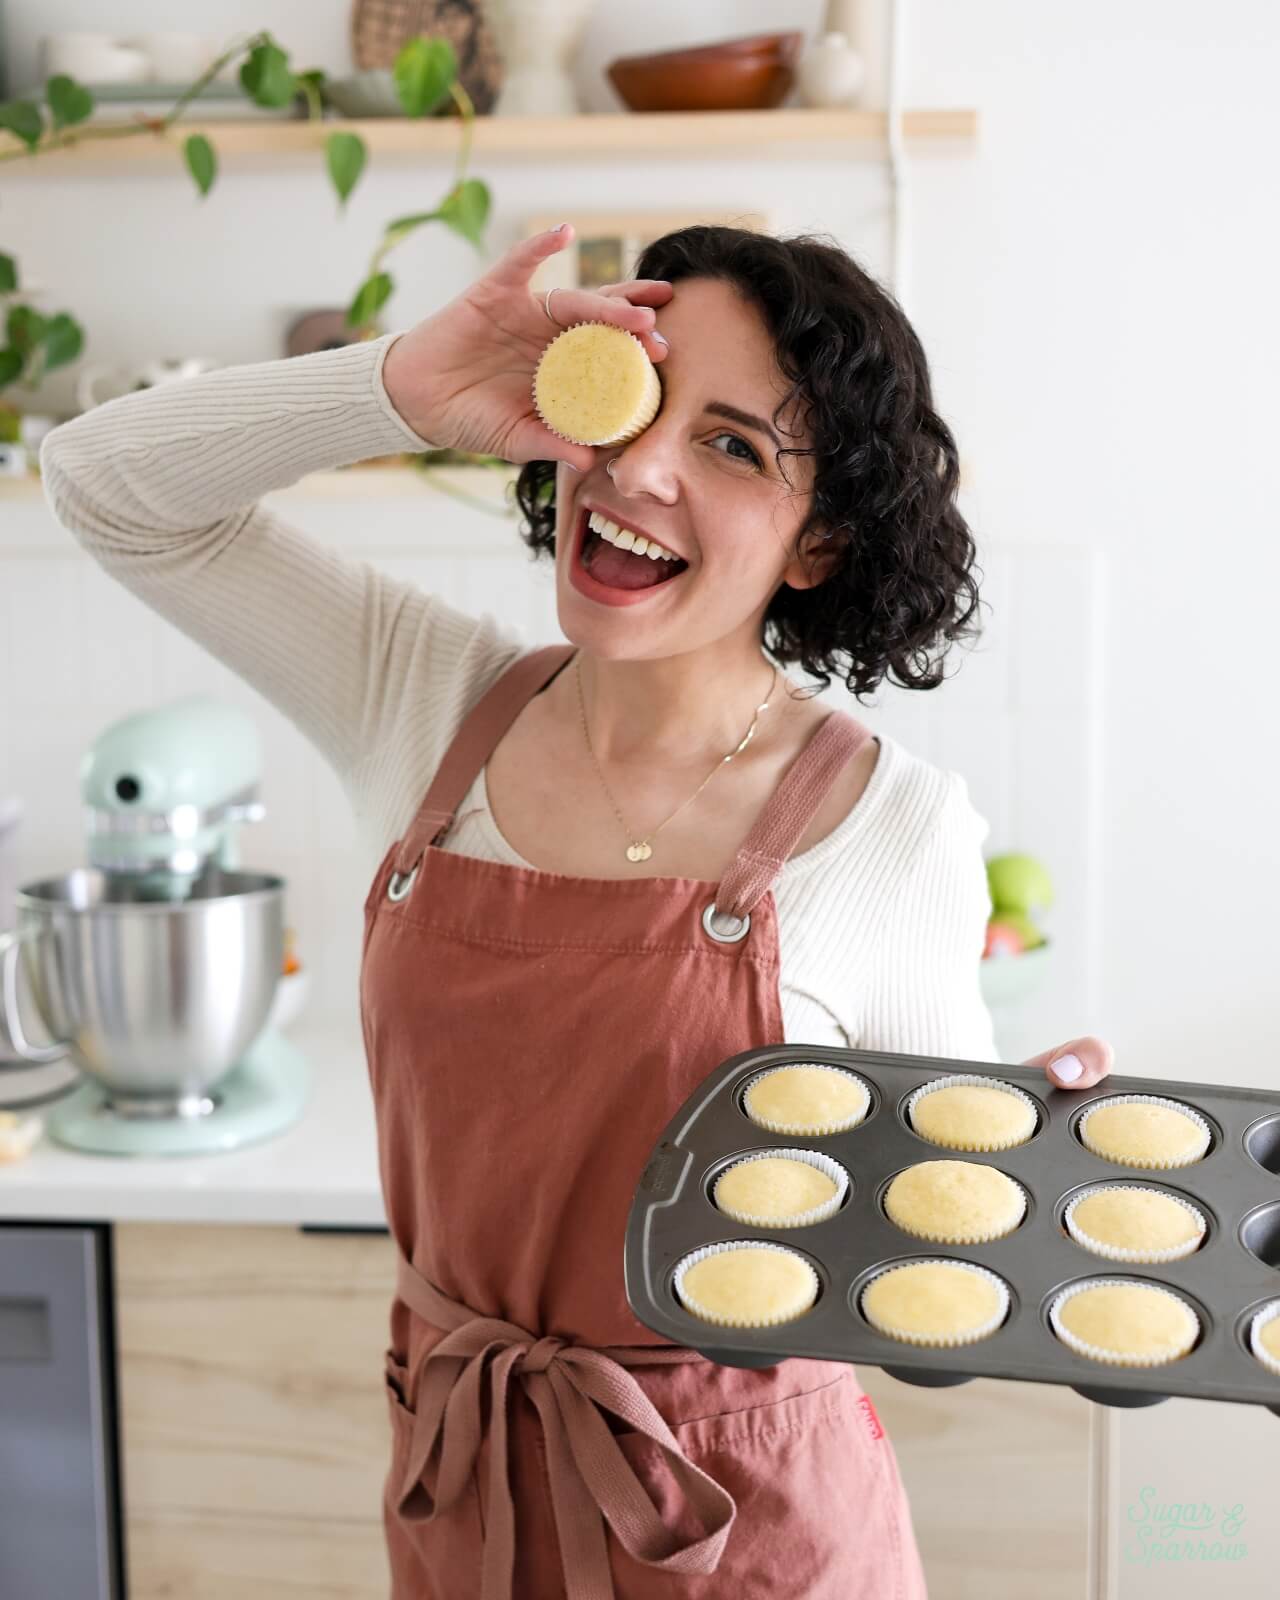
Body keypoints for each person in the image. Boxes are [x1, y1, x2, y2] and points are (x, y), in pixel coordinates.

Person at [41, 221, 1114, 1599]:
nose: (641, 468)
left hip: (750, 1534)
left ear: (818, 538)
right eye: (636, 402)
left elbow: (931, 1260)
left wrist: (1033, 1162)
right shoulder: (418, 700)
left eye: (733, 446)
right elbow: (106, 486)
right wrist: (401, 390)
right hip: (468, 1486)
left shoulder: (888, 831)